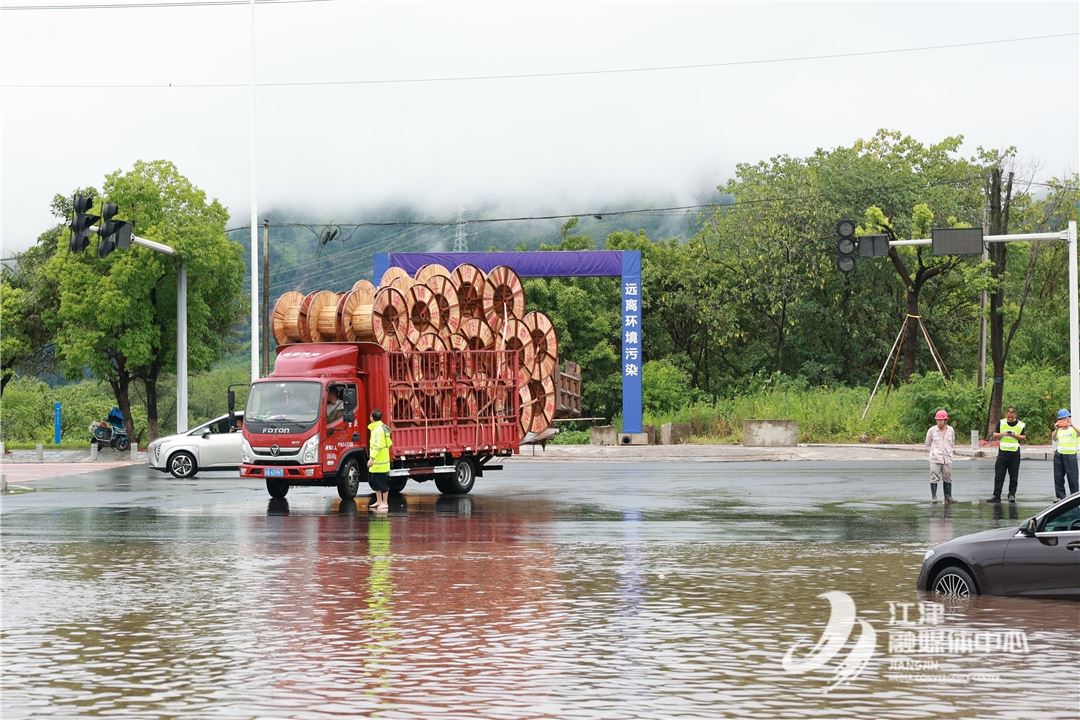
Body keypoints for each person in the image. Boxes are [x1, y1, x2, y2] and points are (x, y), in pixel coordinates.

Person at [989, 405, 1026, 503]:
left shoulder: (1021, 425)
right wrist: (1003, 434)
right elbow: (995, 435)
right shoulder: (1001, 423)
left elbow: (1023, 437)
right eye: (1008, 417)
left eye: (1012, 417)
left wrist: (1014, 435)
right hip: (1003, 452)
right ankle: (996, 495)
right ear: (1006, 414)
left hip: (1014, 453)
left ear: (1015, 415)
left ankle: (1012, 494)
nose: (1010, 419)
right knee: (999, 475)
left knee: (1014, 475)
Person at [925, 409, 956, 504]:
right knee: (934, 476)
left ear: (945, 420)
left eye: (940, 420)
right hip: (935, 458)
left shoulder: (950, 430)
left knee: (947, 477)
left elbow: (952, 442)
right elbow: (927, 444)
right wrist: (934, 452)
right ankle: (934, 497)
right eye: (937, 420)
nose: (939, 422)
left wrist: (949, 452)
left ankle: (948, 497)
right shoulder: (932, 430)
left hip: (947, 458)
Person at [367, 409, 393, 511]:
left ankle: (385, 503)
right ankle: (379, 501)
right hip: (377, 462)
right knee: (375, 482)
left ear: (372, 418)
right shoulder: (377, 428)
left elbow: (377, 446)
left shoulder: (378, 430)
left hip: (379, 462)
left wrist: (372, 459)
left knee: (383, 483)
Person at [1051, 408, 1079, 500]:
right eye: (1062, 419)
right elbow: (1053, 438)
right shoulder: (1058, 429)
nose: (1064, 420)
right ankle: (1060, 497)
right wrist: (1056, 428)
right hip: (1059, 455)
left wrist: (1072, 425)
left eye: (1066, 418)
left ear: (1069, 418)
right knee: (1058, 477)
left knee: (1073, 478)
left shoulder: (1073, 429)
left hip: (1070, 455)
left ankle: (1074, 498)